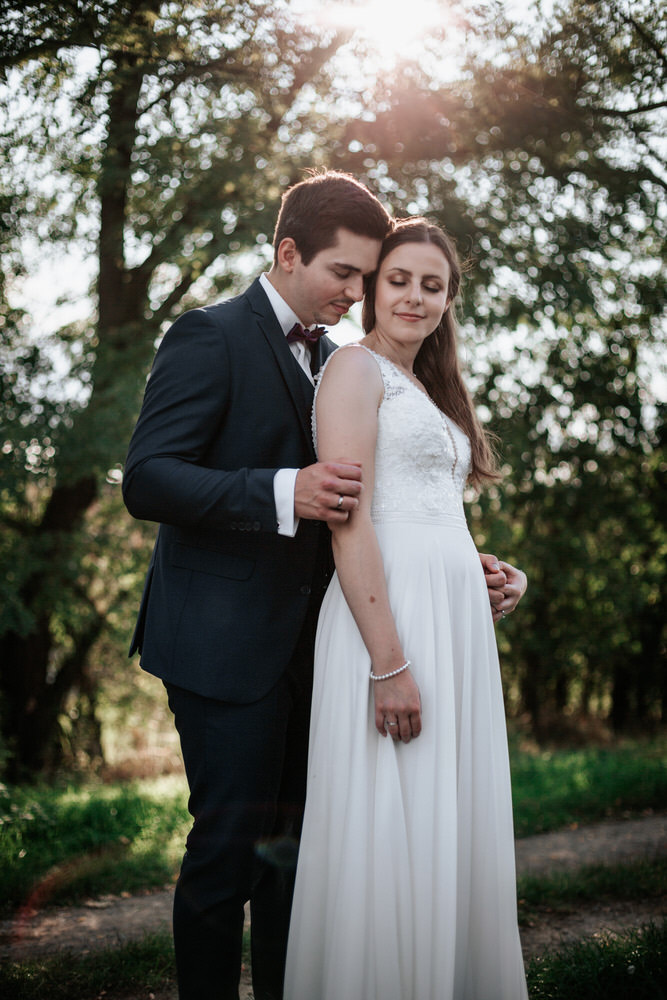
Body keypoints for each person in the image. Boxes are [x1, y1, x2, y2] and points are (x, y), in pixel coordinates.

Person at [123, 172, 525, 1000]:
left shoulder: (341, 356)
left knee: (297, 861)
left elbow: (381, 497)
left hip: (320, 643)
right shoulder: (210, 335)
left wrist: (450, 570)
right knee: (226, 855)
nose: (359, 291)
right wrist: (281, 490)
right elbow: (149, 478)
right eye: (346, 274)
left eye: (366, 276)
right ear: (287, 252)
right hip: (222, 640)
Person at [284, 218, 528, 999]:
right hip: (382, 627)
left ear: (449, 298)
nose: (414, 297)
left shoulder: (429, 386)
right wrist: (388, 663)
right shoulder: (354, 371)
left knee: (442, 815)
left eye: (432, 285)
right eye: (399, 280)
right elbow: (349, 524)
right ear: (371, 287)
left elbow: (430, 513)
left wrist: (486, 573)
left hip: (448, 623)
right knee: (389, 823)